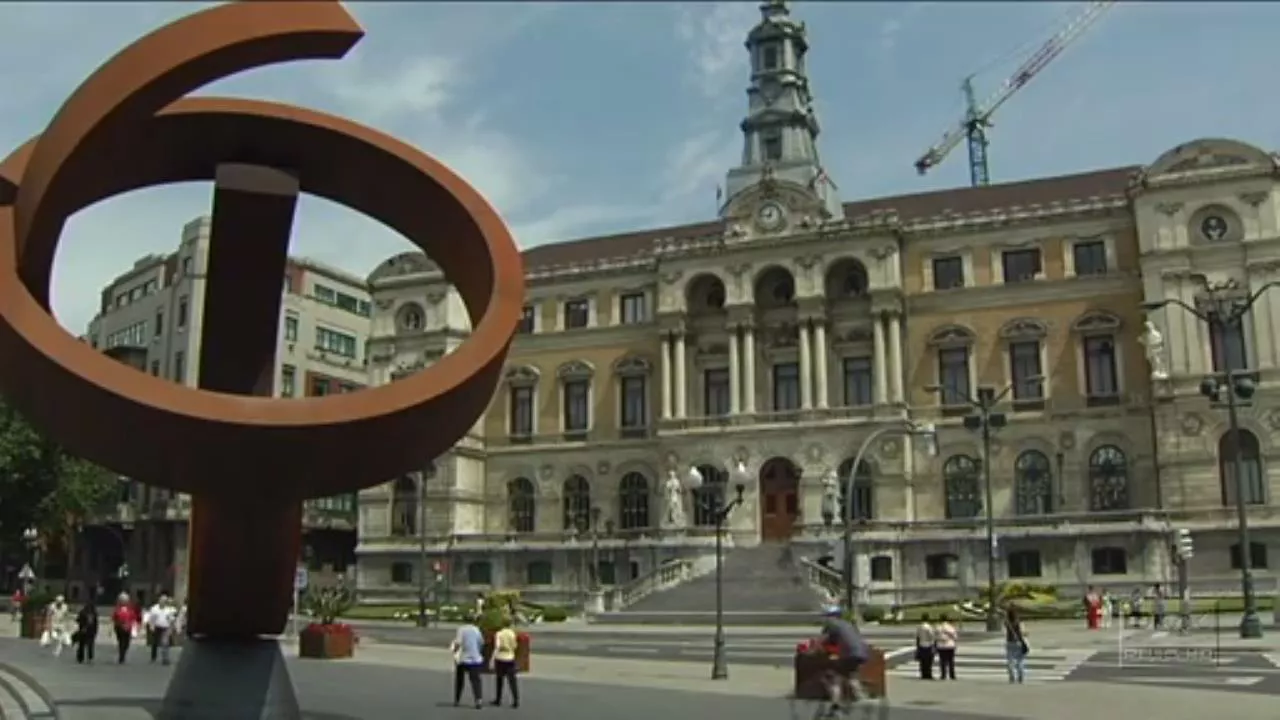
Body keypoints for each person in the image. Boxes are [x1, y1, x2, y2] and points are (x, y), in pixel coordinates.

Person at [817, 605, 870, 709]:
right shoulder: (848, 624)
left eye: (827, 616)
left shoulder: (831, 625)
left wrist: (816, 650)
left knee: (834, 676)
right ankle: (860, 696)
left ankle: (835, 700)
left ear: (833, 616)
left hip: (849, 654)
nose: (825, 619)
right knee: (851, 674)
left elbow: (822, 641)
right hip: (862, 652)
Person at [450, 614, 485, 709]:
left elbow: (458, 643)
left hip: (464, 658)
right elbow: (481, 643)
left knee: (460, 679)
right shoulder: (476, 630)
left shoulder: (461, 629)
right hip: (475, 658)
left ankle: (457, 699)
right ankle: (478, 699)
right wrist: (479, 651)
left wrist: (455, 651)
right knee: (476, 680)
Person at [490, 617, 521, 708]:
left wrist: (492, 658)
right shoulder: (512, 633)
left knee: (499, 679)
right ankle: (516, 700)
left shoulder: (499, 633)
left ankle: (498, 699)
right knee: (512, 680)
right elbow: (515, 646)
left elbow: (497, 646)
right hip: (509, 657)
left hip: (500, 657)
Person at [144, 594, 178, 665]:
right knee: (155, 642)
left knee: (165, 643)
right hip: (157, 627)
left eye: (165, 601)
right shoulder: (154, 609)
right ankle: (153, 656)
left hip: (165, 627)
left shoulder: (169, 610)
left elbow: (172, 620)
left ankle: (165, 659)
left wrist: (172, 627)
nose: (163, 602)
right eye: (162, 600)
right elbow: (151, 619)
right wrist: (151, 626)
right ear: (159, 601)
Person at [110, 593, 138, 664]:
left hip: (128, 627)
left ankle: (123, 653)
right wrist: (113, 627)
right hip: (119, 627)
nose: (124, 601)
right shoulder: (117, 609)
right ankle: (121, 657)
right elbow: (114, 618)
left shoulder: (130, 609)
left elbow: (133, 618)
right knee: (121, 642)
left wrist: (134, 626)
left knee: (127, 643)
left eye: (125, 600)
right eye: (122, 600)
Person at [1004, 607, 1029, 684]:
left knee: (1010, 660)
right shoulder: (1019, 622)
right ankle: (1020, 677)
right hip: (1018, 642)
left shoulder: (1007, 622)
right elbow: (1023, 633)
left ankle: (1011, 676)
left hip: (1009, 642)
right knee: (1020, 660)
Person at [74, 599, 98, 664]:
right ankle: (90, 657)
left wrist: (82, 625)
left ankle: (80, 658)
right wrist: (95, 631)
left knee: (82, 644)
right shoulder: (94, 613)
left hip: (83, 630)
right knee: (90, 645)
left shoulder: (83, 612)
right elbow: (96, 623)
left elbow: (77, 620)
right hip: (90, 631)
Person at [934, 615, 957, 680]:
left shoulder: (938, 627)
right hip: (950, 645)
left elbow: (935, 636)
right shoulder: (950, 626)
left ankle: (943, 675)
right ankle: (952, 675)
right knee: (951, 661)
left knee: (942, 661)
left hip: (941, 646)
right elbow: (955, 636)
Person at [914, 613, 936, 680]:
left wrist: (917, 646)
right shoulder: (929, 627)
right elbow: (932, 636)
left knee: (922, 661)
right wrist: (933, 645)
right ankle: (928, 674)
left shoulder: (919, 627)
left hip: (921, 644)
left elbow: (917, 637)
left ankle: (923, 674)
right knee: (929, 661)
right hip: (928, 645)